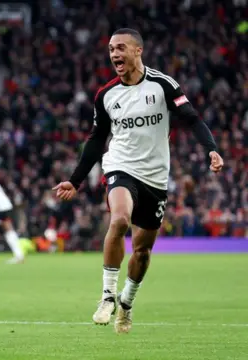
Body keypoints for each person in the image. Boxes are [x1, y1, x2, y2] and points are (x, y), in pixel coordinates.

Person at [53, 28, 224, 334]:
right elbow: (96, 140)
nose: (114, 54)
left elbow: (193, 119)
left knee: (143, 252)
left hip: (156, 176)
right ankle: (107, 296)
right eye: (110, 49)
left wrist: (211, 149)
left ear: (137, 51)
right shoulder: (106, 95)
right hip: (120, 166)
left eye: (120, 48)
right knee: (119, 221)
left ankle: (126, 303)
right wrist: (75, 181)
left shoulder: (163, 85)